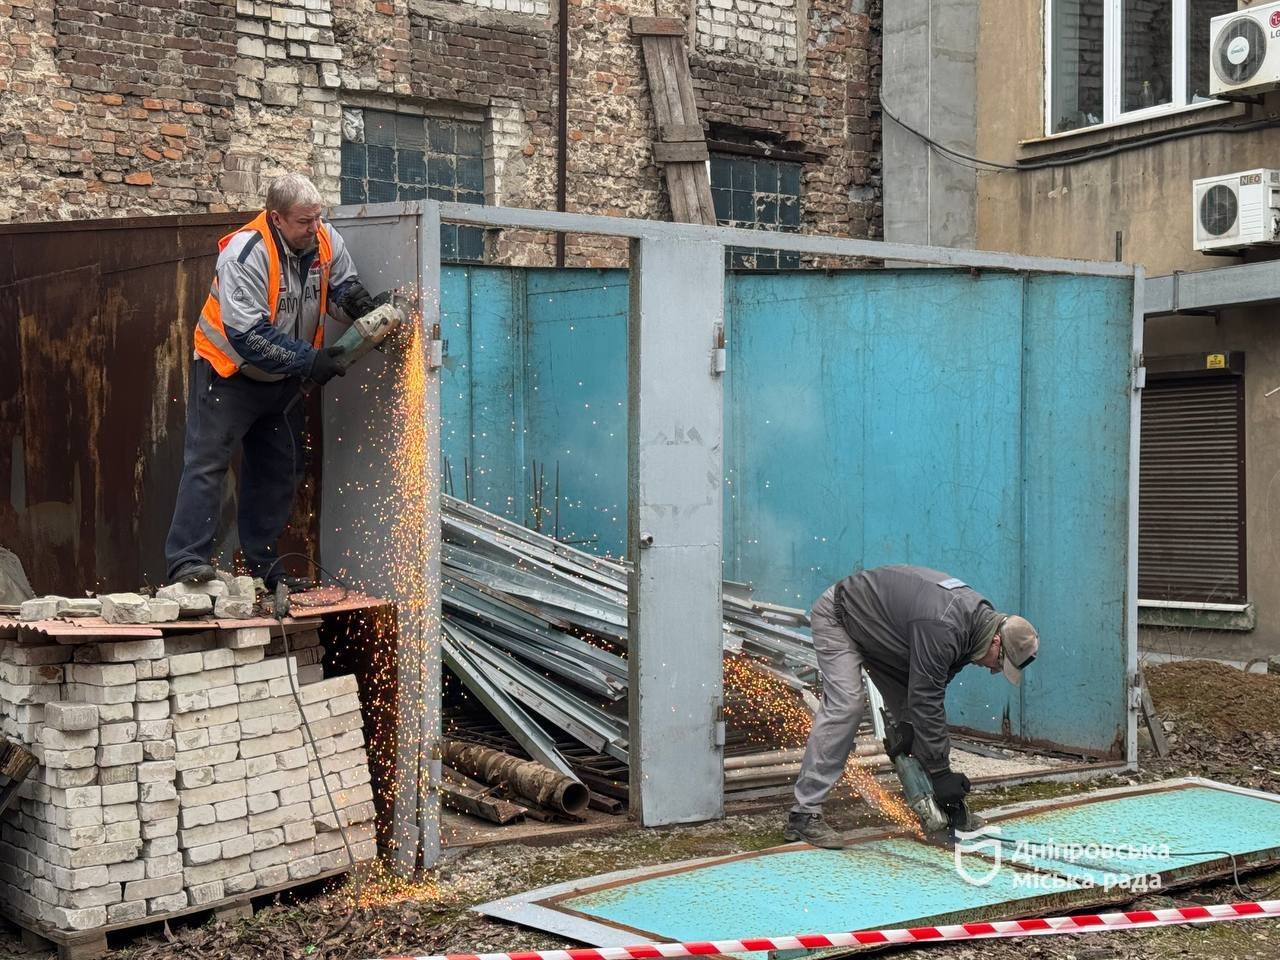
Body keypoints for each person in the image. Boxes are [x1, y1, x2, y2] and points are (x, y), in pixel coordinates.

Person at [164, 173, 384, 590]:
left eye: (318, 218)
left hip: (283, 377)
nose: (315, 228)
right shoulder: (244, 255)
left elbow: (341, 288)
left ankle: (266, 573)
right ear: (276, 218)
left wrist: (362, 307)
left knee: (279, 469)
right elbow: (247, 337)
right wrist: (310, 361)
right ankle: (185, 561)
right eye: (305, 222)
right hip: (228, 372)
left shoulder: (324, 240)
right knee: (207, 463)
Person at [784, 564, 1039, 849]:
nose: (993, 671)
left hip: (884, 634)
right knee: (847, 705)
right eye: (998, 663)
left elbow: (934, 686)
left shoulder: (980, 624)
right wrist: (942, 774)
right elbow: (926, 698)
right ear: (996, 641)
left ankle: (937, 813)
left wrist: (909, 726)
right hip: (842, 617)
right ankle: (804, 815)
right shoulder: (945, 625)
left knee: (916, 725)